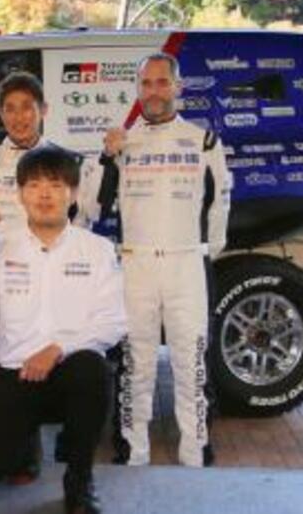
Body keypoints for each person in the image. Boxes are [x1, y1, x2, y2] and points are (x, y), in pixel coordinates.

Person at [0, 146, 126, 514]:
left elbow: (113, 321)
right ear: (20, 194)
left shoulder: (97, 249)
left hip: (69, 371)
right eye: (34, 185)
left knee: (93, 370)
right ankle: (24, 444)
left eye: (55, 184)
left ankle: (79, 477)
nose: (45, 194)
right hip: (14, 372)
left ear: (74, 193)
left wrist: (57, 348)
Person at [98, 52, 231, 467]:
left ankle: (195, 451)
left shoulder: (203, 141)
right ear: (138, 90)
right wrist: (108, 157)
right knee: (135, 363)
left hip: (185, 263)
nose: (154, 91)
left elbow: (219, 205)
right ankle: (132, 450)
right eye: (146, 83)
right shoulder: (122, 142)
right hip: (135, 264)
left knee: (191, 361)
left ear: (178, 87)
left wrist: (205, 251)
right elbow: (94, 206)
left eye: (161, 82)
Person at [0, 71, 98, 234]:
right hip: (1, 249)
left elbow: (88, 217)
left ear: (43, 110)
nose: (18, 118)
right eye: (10, 109)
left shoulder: (69, 162)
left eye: (26, 108)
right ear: (0, 113)